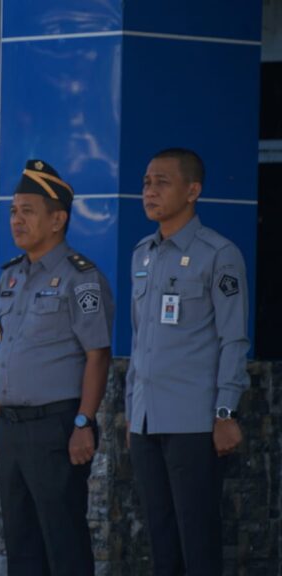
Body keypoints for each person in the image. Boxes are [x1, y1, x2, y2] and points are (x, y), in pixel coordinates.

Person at [0, 159, 113, 576]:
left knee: (63, 541)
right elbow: (6, 353)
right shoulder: (11, 277)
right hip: (13, 428)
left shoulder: (81, 278)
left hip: (56, 427)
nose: (17, 220)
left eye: (28, 211)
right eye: (13, 211)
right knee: (21, 544)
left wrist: (83, 422)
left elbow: (97, 355)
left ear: (58, 220)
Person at [127, 148, 249, 576]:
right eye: (146, 183)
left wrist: (225, 412)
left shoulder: (219, 253)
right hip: (146, 421)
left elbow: (233, 339)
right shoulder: (143, 253)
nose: (150, 191)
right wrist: (132, 413)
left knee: (198, 541)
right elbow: (140, 339)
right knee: (161, 541)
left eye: (162, 183)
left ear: (192, 191)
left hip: (194, 422)